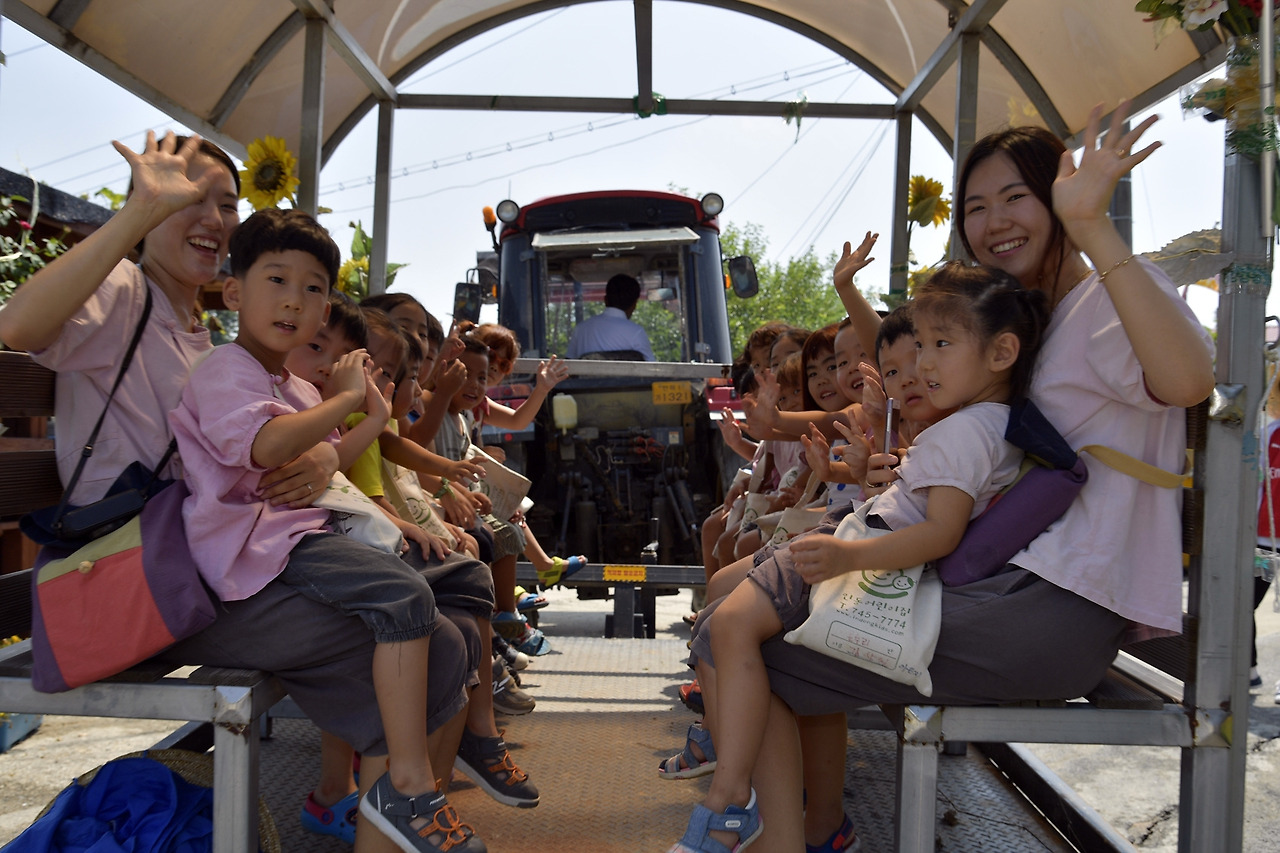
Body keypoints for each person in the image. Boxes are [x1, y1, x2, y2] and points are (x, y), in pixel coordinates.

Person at [686, 102, 1215, 851]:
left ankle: (797, 834)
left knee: (748, 639)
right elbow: (926, 375)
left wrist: (1093, 222)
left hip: (1060, 602)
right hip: (1006, 577)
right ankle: (804, 833)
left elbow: (1191, 379)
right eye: (975, 206)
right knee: (738, 626)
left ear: (1059, 197)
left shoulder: (1100, 307)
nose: (994, 220)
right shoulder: (1037, 324)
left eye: (1015, 198)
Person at [0, 132, 477, 853]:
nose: (210, 216)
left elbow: (265, 447)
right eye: (186, 195)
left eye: (223, 203)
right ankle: (396, 796)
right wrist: (134, 217)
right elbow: (18, 326)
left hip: (207, 563)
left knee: (447, 630)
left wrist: (319, 461)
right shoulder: (126, 297)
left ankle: (405, 805)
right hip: (149, 580)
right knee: (416, 639)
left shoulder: (207, 334)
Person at [672, 263, 1047, 852]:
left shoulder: (963, 432)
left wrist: (845, 558)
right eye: (918, 348)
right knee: (724, 625)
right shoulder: (980, 425)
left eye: (939, 346)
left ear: (1002, 353)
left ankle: (731, 799)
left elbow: (940, 532)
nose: (921, 365)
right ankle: (754, 808)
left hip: (856, 551)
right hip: (855, 542)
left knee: (730, 628)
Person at [169, 207, 488, 852]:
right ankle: (406, 785)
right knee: (403, 596)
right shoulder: (227, 370)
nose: (294, 301)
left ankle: (420, 792)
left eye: (312, 288)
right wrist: (344, 401)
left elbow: (328, 460)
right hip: (252, 562)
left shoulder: (290, 383)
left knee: (450, 638)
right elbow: (265, 448)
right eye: (277, 280)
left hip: (297, 546)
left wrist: (366, 410)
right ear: (234, 292)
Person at [565, 273, 655, 360]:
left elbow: (568, 367)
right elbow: (652, 371)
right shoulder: (636, 332)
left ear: (605, 300)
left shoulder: (581, 330)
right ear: (634, 304)